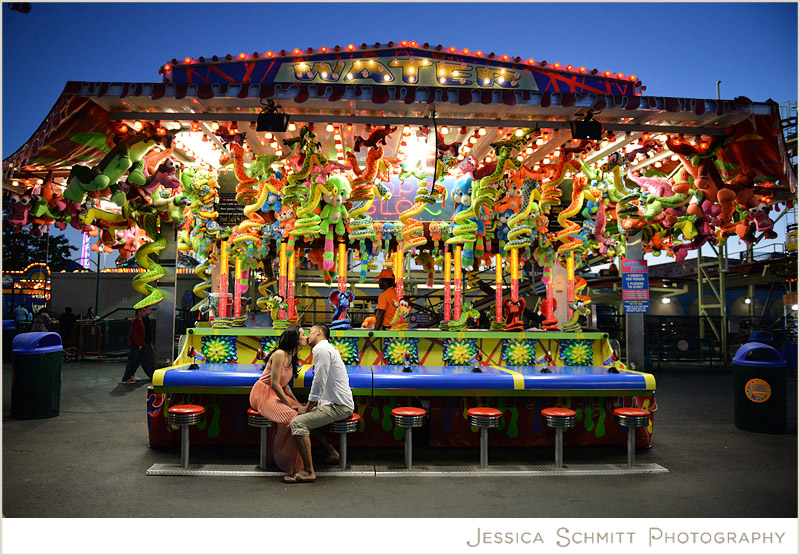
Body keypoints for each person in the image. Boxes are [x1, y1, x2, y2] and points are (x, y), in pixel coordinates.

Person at [286, 323, 354, 484]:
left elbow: (319, 381)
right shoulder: (326, 348)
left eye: (309, 332)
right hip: (333, 403)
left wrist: (308, 407)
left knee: (297, 423)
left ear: (318, 332)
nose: (307, 336)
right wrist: (310, 408)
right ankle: (332, 453)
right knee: (305, 419)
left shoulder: (321, 349)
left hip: (339, 406)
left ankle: (308, 471)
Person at [121, 307, 149, 384]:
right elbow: (133, 334)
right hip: (137, 345)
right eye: (143, 311)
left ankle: (130, 375)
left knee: (137, 361)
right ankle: (126, 377)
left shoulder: (139, 321)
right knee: (133, 361)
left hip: (139, 345)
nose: (144, 313)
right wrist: (138, 344)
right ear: (139, 312)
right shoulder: (136, 321)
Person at [140, 306, 156, 380]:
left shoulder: (145, 319)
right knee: (145, 359)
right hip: (144, 342)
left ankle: (153, 373)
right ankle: (152, 374)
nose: (150, 311)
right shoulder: (142, 320)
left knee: (150, 358)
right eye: (149, 309)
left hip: (147, 341)